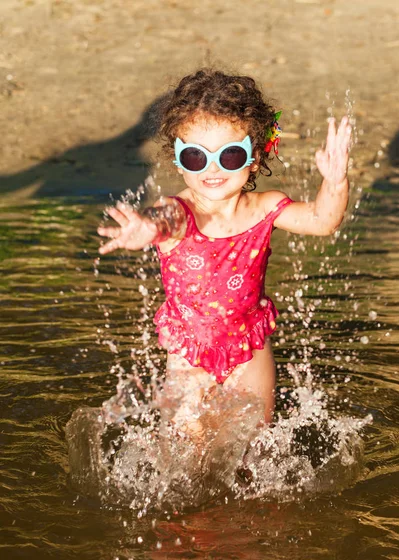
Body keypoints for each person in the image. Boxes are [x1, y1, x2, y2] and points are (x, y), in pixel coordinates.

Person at [98, 69, 351, 430]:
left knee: (254, 446)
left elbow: (323, 220)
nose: (212, 169)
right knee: (183, 455)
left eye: (230, 156)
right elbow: (160, 219)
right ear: (178, 159)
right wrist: (145, 228)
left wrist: (336, 181)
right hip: (189, 355)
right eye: (196, 157)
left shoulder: (265, 208)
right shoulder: (179, 212)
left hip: (250, 349)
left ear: (255, 156)